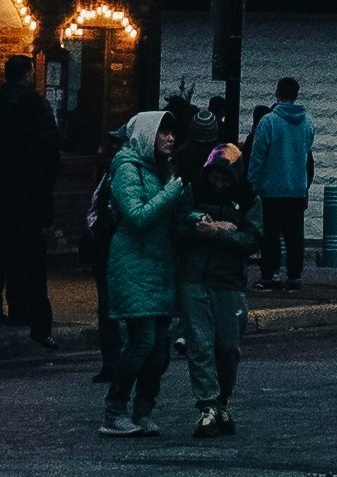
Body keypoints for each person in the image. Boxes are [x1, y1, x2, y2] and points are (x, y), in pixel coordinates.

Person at [99, 109, 188, 434]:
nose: (170, 138)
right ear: (147, 135)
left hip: (161, 265)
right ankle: (114, 410)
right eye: (163, 132)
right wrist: (171, 192)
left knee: (160, 349)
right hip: (133, 264)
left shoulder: (162, 169)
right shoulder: (127, 168)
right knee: (143, 340)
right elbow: (136, 216)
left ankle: (143, 409)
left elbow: (173, 215)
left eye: (172, 133)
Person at [0, 53, 61, 346]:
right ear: (28, 74)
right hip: (28, 202)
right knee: (31, 265)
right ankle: (31, 318)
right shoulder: (38, 107)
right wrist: (45, 205)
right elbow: (49, 159)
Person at [177, 131, 256, 435]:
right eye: (215, 177)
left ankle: (223, 399)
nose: (220, 183)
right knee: (200, 344)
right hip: (195, 278)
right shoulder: (193, 192)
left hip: (229, 281)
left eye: (225, 179)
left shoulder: (248, 198)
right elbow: (176, 224)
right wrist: (199, 224)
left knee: (228, 347)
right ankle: (207, 404)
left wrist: (219, 234)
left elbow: (253, 239)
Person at [246, 78, 315, 286]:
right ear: (297, 94)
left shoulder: (268, 121)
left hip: (271, 188)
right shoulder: (307, 122)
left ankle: (269, 274)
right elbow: (306, 156)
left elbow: (258, 157)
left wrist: (251, 185)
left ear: (277, 92)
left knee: (270, 234)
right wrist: (305, 188)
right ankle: (294, 276)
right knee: (294, 235)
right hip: (296, 188)